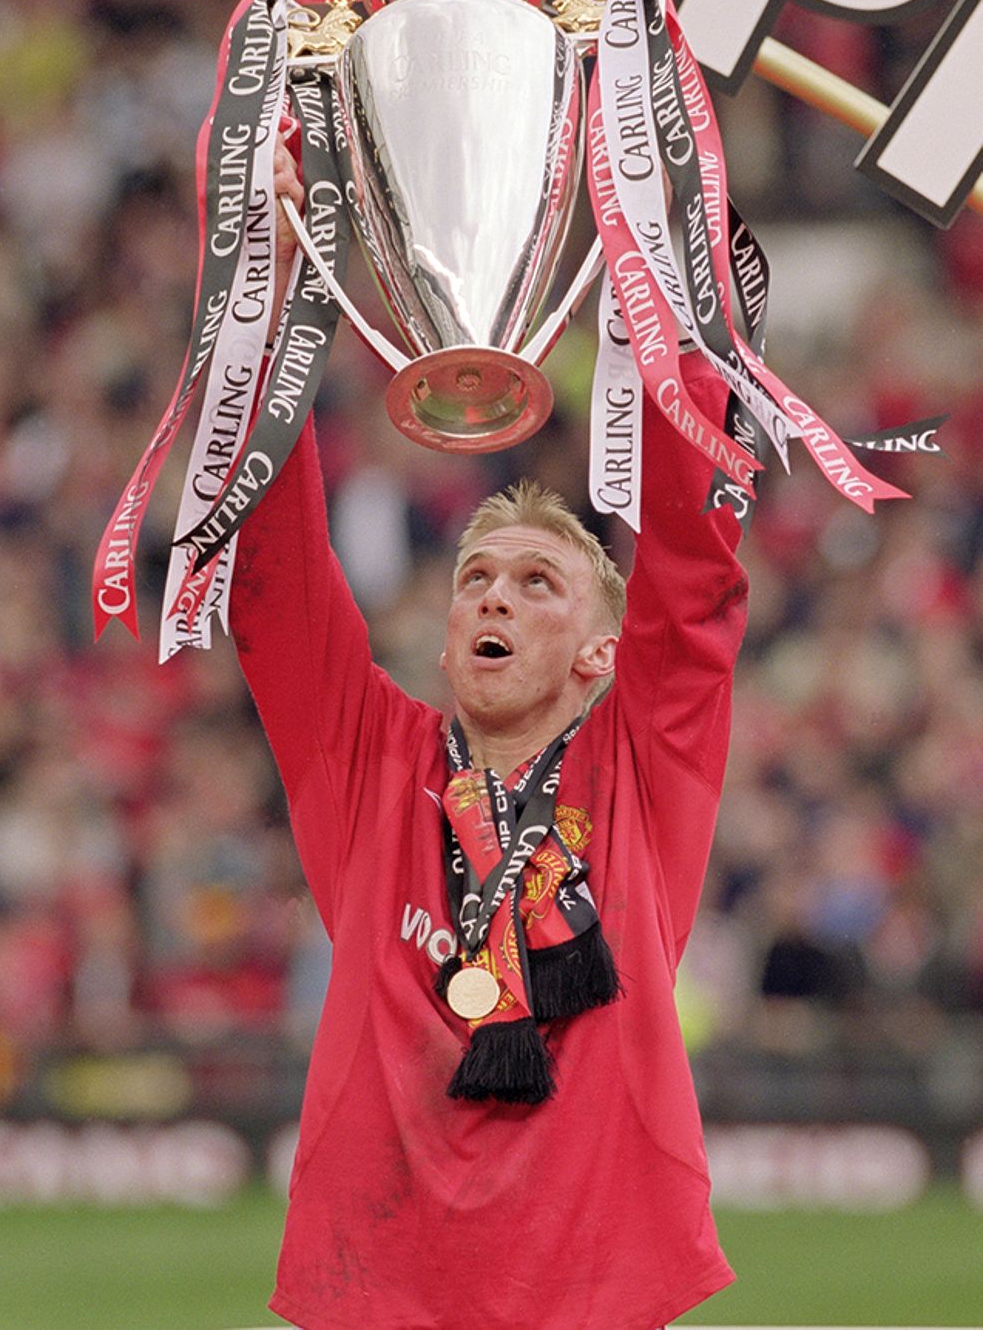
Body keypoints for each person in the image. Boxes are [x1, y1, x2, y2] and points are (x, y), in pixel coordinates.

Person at [228, 143, 749, 1329]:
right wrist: (263, 282)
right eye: (474, 579)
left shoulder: (641, 766)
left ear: (601, 656)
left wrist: (658, 293)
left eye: (535, 582)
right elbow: (273, 583)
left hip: (591, 1291)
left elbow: (694, 579)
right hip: (380, 1287)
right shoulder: (369, 762)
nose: (494, 598)